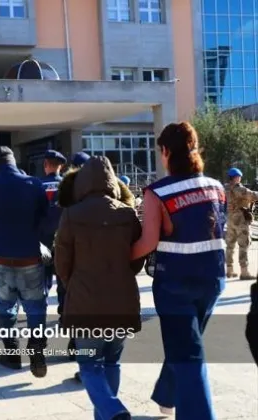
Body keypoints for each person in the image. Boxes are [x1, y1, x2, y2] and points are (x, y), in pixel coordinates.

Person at [131, 122, 225, 419]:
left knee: (188, 355)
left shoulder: (158, 192)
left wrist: (117, 259)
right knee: (188, 343)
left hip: (176, 286)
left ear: (166, 151)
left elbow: (147, 243)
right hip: (212, 280)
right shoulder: (216, 187)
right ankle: (166, 396)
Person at [54, 156, 144, 420]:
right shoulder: (127, 213)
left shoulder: (71, 214)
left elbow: (62, 262)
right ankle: (106, 414)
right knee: (112, 361)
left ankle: (113, 409)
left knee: (90, 364)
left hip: (85, 301)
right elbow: (136, 259)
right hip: (123, 299)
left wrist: (74, 284)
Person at [0, 146, 49, 378]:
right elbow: (44, 219)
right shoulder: (34, 184)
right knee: (36, 306)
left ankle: (12, 354)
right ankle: (37, 350)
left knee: (5, 306)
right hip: (29, 255)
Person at [39, 150, 66, 308]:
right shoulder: (67, 185)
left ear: (45, 165)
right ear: (61, 166)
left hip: (41, 237)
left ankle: (41, 306)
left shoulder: (35, 184)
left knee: (42, 274)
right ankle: (63, 308)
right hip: (63, 236)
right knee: (63, 273)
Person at [225, 167, 258, 280]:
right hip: (240, 220)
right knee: (244, 245)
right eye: (239, 177)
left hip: (230, 219)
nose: (240, 178)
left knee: (230, 245)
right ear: (236, 177)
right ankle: (244, 272)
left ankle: (229, 270)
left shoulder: (226, 188)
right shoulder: (238, 188)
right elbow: (253, 196)